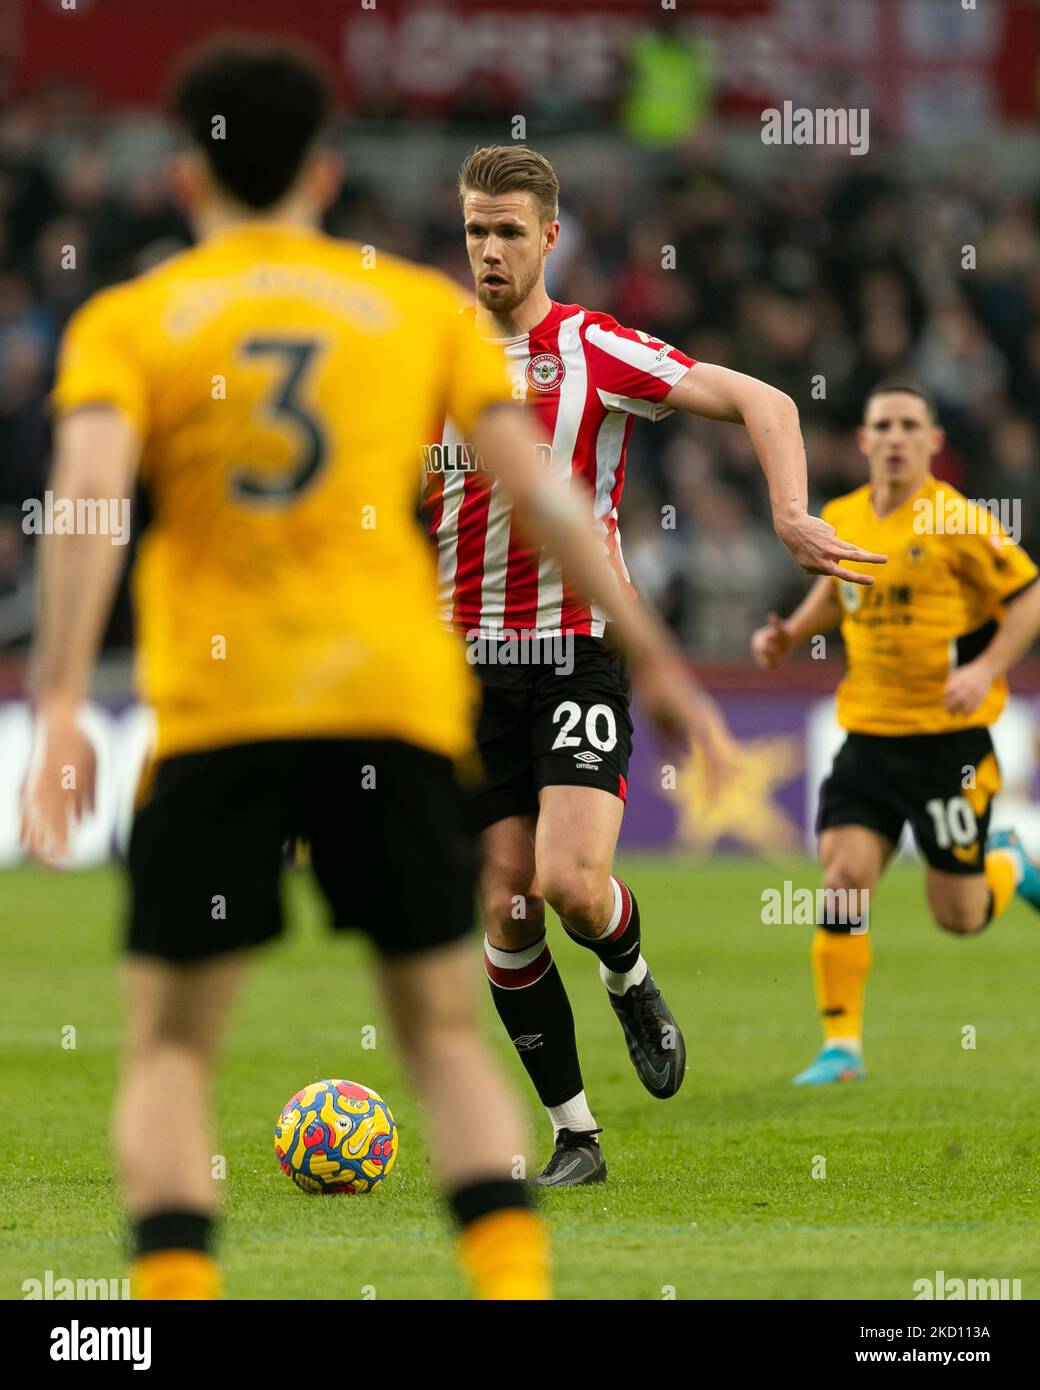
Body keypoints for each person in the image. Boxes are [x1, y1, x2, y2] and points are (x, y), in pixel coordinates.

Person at [21, 40, 728, 1302]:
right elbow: (547, 500)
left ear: (186, 180)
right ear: (327, 172)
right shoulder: (408, 312)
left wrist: (62, 699)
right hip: (394, 705)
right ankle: (513, 1281)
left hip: (218, 712)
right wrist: (661, 659)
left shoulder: (130, 318)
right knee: (442, 1027)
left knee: (173, 1053)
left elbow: (82, 514)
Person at [424, 144, 883, 1183]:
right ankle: (575, 1134)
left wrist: (786, 512)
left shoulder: (595, 348)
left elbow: (763, 399)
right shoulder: (422, 358)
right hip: (462, 666)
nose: (488, 250)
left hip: (579, 649)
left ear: (549, 237)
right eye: (472, 232)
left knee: (571, 886)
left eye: (507, 231)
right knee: (505, 903)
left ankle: (627, 972)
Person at [751, 379, 1040, 1085]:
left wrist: (989, 668)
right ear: (864, 439)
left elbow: (1029, 596)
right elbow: (840, 587)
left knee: (960, 916)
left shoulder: (961, 521)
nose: (896, 437)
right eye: (883, 425)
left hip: (948, 745)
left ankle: (1012, 863)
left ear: (934, 442)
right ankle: (841, 1047)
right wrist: (792, 631)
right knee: (844, 878)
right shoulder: (845, 514)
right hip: (868, 739)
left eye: (912, 425)